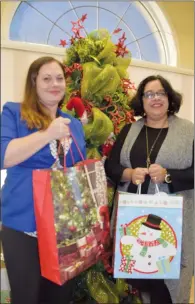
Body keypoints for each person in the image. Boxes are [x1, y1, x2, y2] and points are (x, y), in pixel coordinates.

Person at [0, 56, 86, 304]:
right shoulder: (13, 113)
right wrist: (48, 133)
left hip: (64, 228)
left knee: (59, 297)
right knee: (26, 297)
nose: (54, 84)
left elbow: (77, 169)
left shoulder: (75, 124)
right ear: (34, 82)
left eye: (59, 78)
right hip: (23, 224)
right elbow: (4, 156)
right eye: (46, 78)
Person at [105, 75, 194, 304]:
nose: (156, 98)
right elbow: (111, 166)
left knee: (165, 286)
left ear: (169, 97)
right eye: (149, 94)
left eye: (161, 93)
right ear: (142, 100)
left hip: (174, 225)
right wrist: (129, 173)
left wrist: (168, 175)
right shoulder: (129, 130)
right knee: (140, 282)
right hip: (134, 224)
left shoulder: (189, 131)